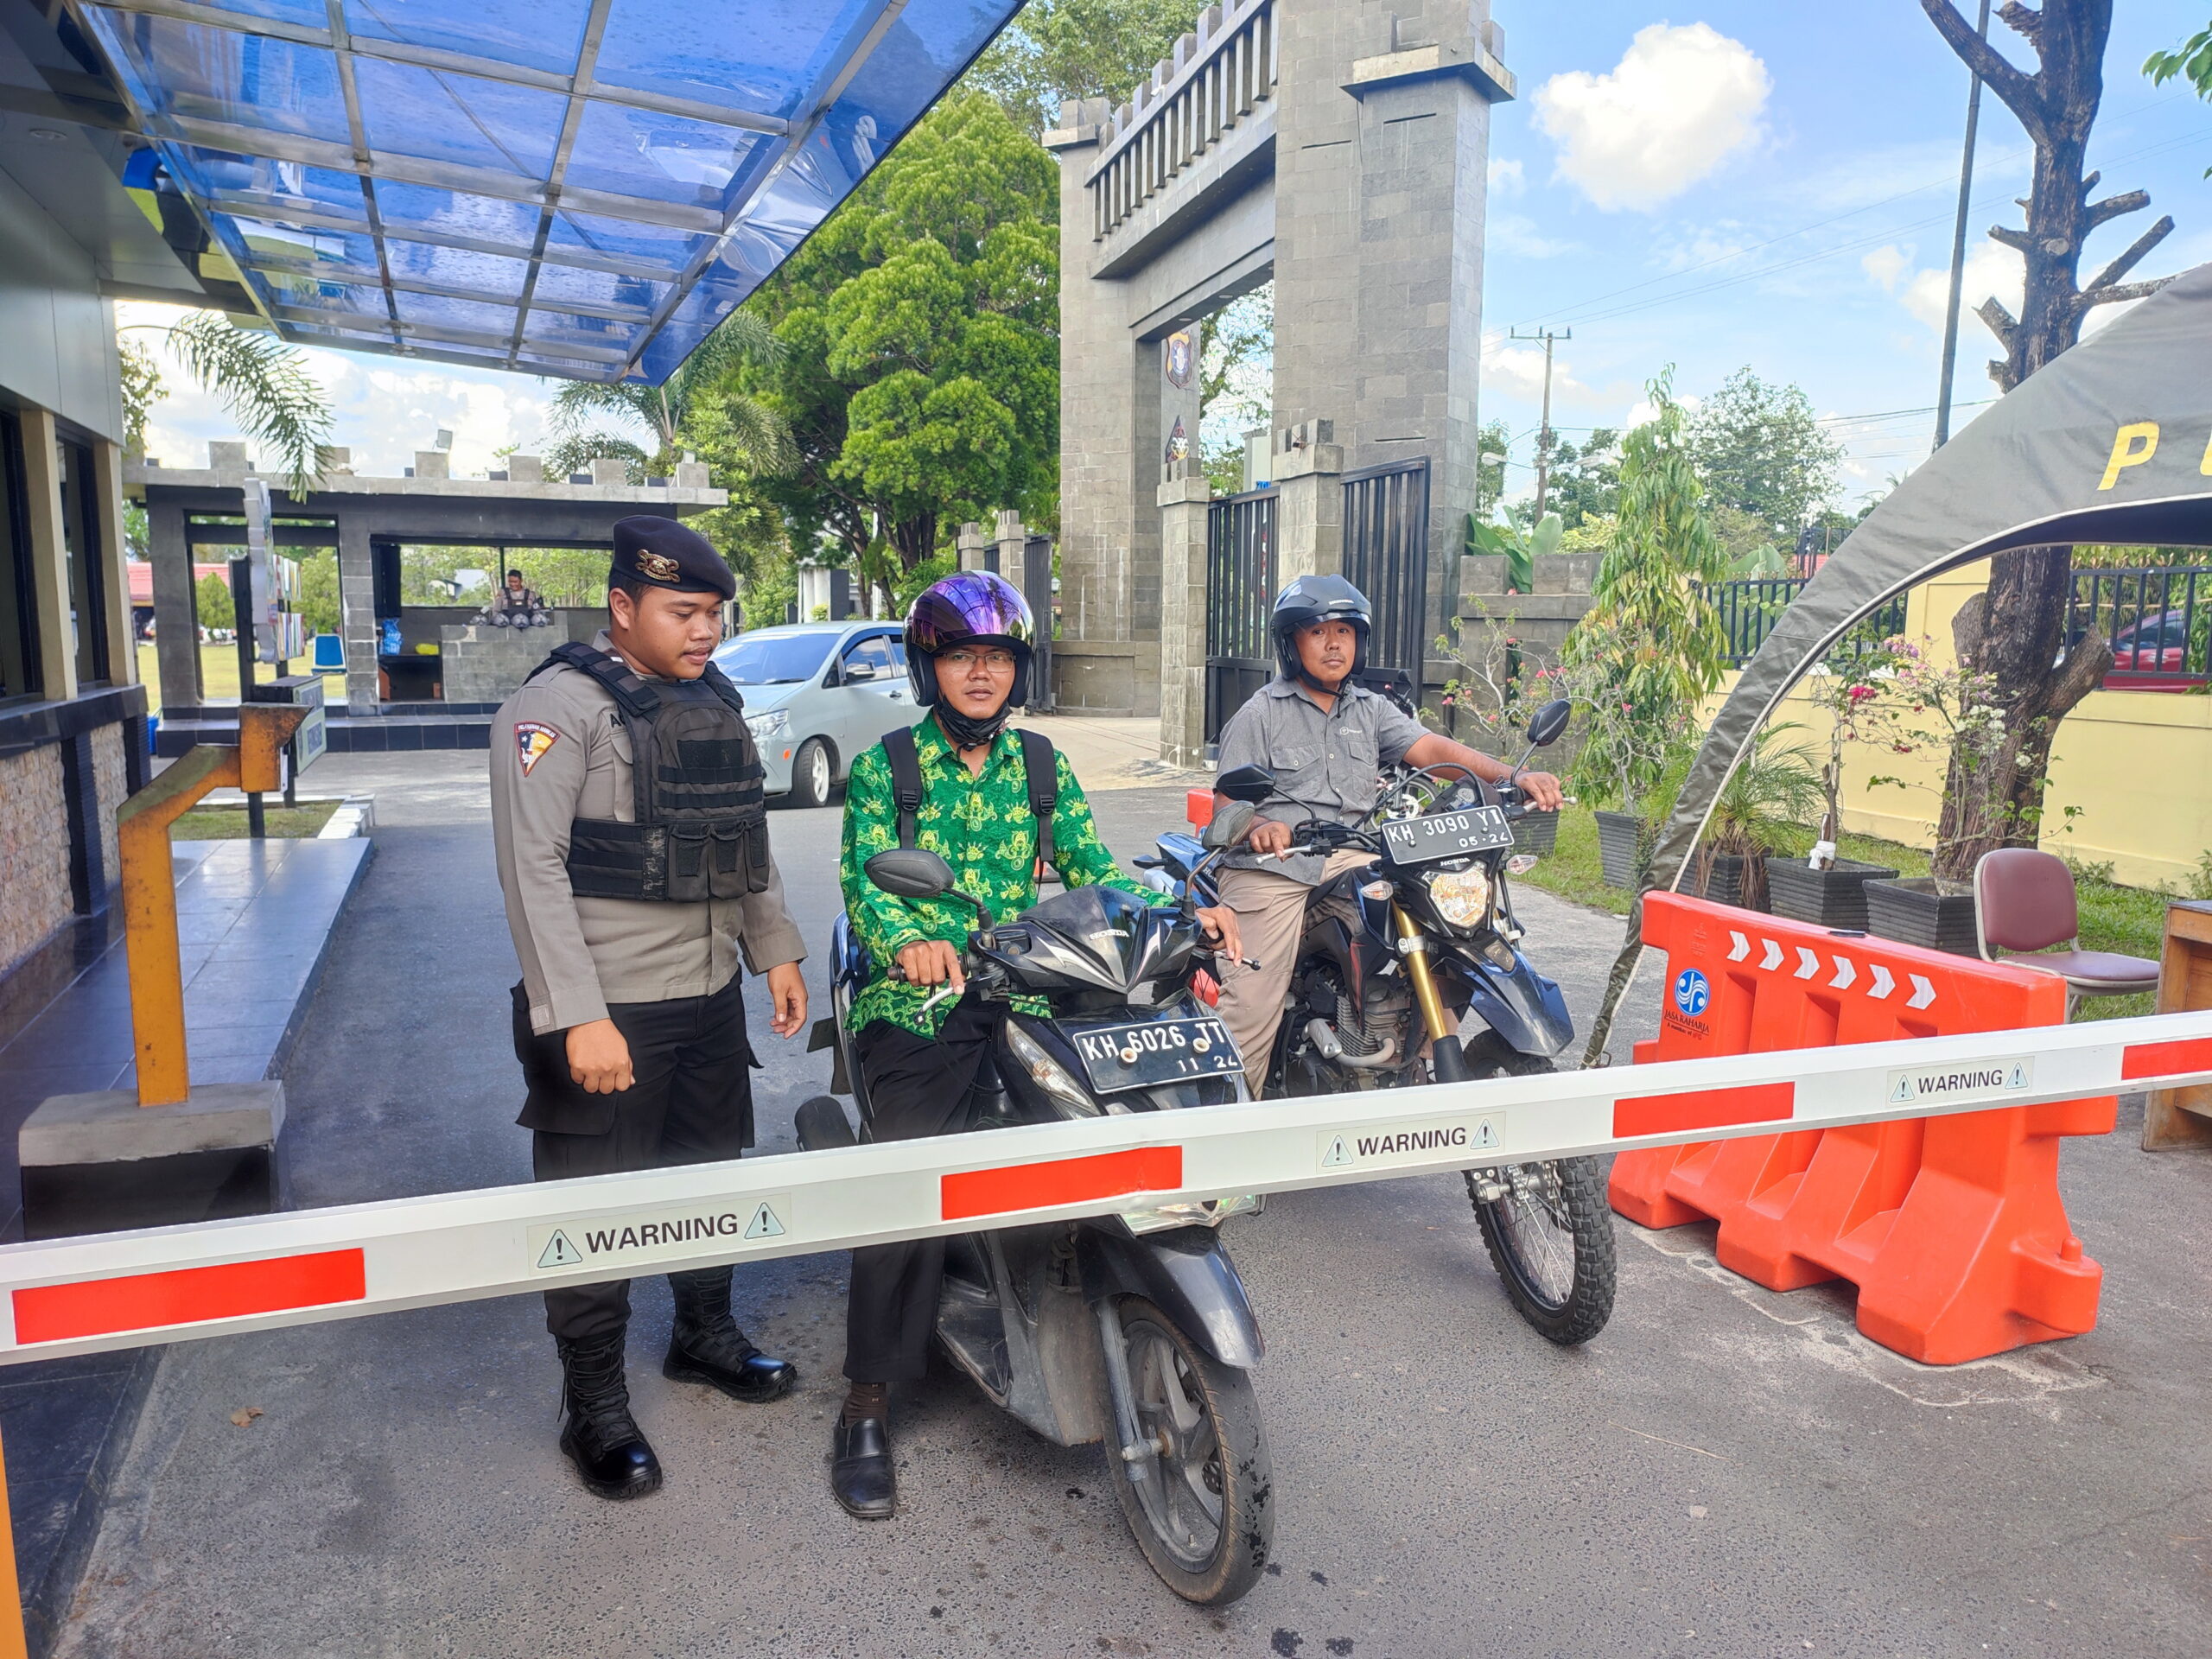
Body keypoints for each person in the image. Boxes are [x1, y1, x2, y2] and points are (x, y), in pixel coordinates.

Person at [827, 571, 1242, 1520]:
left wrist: (1184, 916)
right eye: (963, 657)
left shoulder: (1043, 766)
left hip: (1043, 983)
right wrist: (911, 943)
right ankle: (865, 1402)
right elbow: (867, 884)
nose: (982, 673)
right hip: (925, 998)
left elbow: (1097, 871)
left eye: (998, 658)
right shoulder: (890, 765)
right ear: (931, 668)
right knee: (907, 1177)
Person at [490, 515, 808, 1503]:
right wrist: (576, 1016)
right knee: (596, 1214)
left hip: (709, 995)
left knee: (708, 1180)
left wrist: (776, 950)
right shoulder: (552, 711)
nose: (704, 630)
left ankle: (703, 1336)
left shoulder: (712, 700)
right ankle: (592, 1404)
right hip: (609, 1011)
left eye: (713, 612)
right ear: (622, 607)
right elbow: (530, 869)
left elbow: (739, 835)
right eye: (683, 611)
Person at [1210, 575, 1564, 1096]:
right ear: (1292, 643)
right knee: (1252, 1001)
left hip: (1353, 856)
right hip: (1277, 868)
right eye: (1317, 631)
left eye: (1345, 631)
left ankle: (1407, 1052)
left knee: (1455, 932)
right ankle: (1229, 1140)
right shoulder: (1262, 712)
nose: (1334, 644)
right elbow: (1225, 803)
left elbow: (1435, 752)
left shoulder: (1370, 709)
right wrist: (1261, 827)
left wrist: (1512, 777)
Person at [483, 567, 551, 627]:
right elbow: (496, 611)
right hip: (506, 627)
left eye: (515, 582)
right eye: (510, 582)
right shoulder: (502, 593)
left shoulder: (530, 594)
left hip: (527, 628)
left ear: (521, 581)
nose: (513, 584)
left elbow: (537, 612)